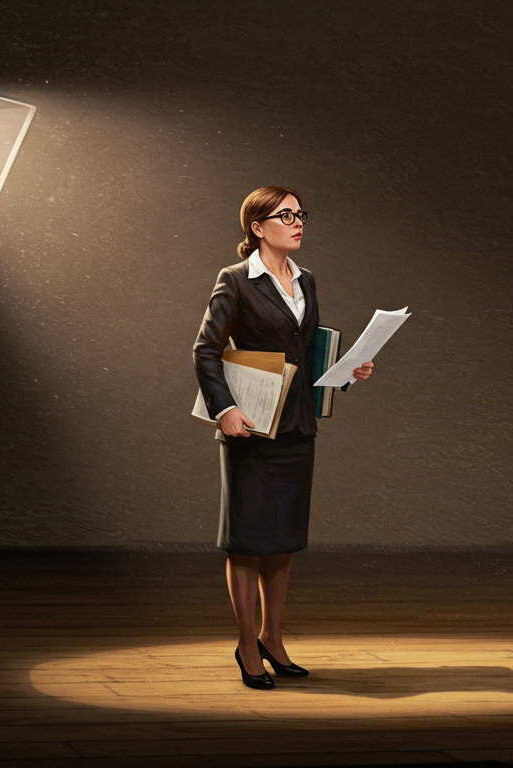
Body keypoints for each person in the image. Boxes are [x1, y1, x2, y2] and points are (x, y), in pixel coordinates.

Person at [193, 187, 374, 690]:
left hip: (296, 425)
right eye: (285, 215)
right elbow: (205, 351)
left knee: (282, 541)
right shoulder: (235, 280)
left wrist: (346, 370)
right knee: (247, 542)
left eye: (300, 215)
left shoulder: (306, 280)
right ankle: (246, 645)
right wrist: (224, 409)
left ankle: (274, 638)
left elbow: (303, 348)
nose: (297, 223)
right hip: (251, 424)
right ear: (257, 227)